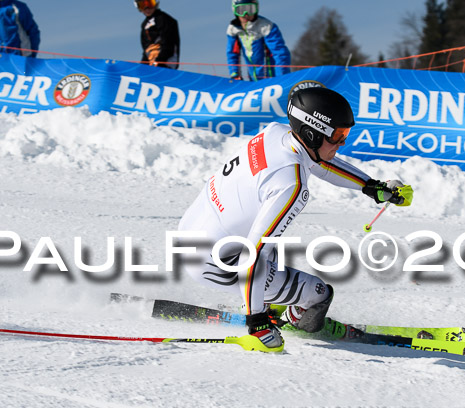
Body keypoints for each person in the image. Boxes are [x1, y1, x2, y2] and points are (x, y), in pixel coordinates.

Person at [177, 87, 414, 352]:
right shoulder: (291, 185)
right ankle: (293, 318)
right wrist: (257, 324)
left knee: (272, 234)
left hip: (190, 232)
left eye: (344, 134)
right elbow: (253, 255)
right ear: (311, 133)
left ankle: (270, 300)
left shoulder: (276, 133)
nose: (342, 143)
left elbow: (319, 162)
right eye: (337, 135)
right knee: (319, 294)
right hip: (216, 263)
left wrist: (371, 186)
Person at [226, 0, 291, 81]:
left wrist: (282, 77)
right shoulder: (233, 30)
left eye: (250, 9)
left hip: (272, 77)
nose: (246, 14)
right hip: (254, 79)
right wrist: (235, 74)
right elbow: (232, 54)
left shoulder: (266, 27)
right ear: (235, 11)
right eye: (241, 10)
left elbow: (280, 54)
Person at [135, 0, 180, 69]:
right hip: (152, 63)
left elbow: (168, 45)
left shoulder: (164, 19)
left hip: (165, 63)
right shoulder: (144, 25)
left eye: (150, 3)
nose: (147, 8)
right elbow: (146, 50)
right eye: (142, 5)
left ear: (155, 4)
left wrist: (158, 62)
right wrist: (142, 67)